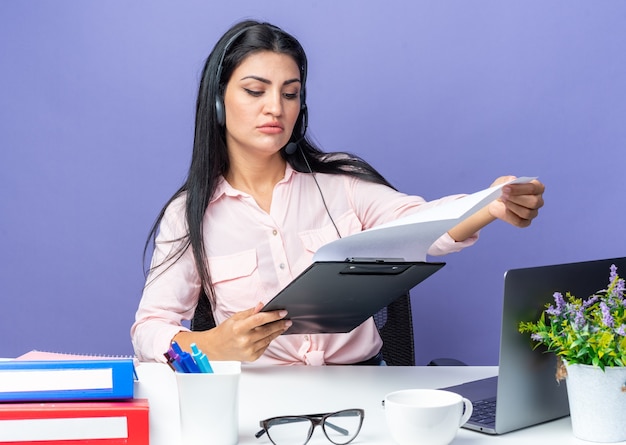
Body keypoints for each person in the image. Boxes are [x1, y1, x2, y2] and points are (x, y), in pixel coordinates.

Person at [131, 20, 545, 366]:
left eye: (290, 93)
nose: (275, 107)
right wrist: (211, 344)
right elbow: (149, 327)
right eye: (256, 91)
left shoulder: (341, 181)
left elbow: (421, 223)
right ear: (219, 102)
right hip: (259, 404)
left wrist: (489, 205)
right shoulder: (191, 213)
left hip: (363, 391)